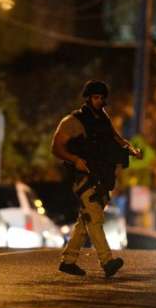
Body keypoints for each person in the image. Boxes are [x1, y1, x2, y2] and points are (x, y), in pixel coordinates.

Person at [51, 80, 142, 277]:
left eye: (101, 98)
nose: (99, 101)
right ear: (88, 98)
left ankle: (68, 260)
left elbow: (116, 139)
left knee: (84, 221)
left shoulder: (103, 118)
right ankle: (107, 261)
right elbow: (56, 148)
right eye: (95, 97)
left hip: (101, 176)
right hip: (83, 177)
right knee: (94, 218)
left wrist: (131, 150)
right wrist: (75, 160)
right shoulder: (73, 121)